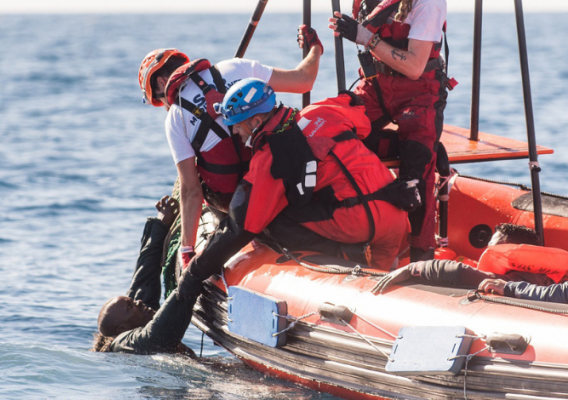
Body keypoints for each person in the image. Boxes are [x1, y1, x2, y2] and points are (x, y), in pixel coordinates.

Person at [175, 79, 411, 303]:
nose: (236, 133)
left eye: (236, 126)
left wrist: (196, 271)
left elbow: (241, 225)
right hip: (397, 219)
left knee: (271, 216)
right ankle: (387, 265)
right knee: (384, 278)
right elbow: (360, 117)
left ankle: (346, 254)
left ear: (255, 122)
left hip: (357, 226)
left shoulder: (270, 157)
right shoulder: (321, 111)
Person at [138, 25, 325, 267]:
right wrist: (315, 49)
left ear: (163, 82)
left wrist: (187, 250)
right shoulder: (236, 67)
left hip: (235, 202)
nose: (164, 105)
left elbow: (191, 190)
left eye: (159, 99)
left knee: (197, 177)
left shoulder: (175, 117)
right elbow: (304, 81)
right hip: (279, 184)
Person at [328, 0, 453, 262]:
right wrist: (314, 48)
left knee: (417, 167)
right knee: (334, 133)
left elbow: (414, 67)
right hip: (375, 85)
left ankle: (422, 257)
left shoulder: (428, 3)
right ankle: (336, 231)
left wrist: (365, 38)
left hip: (419, 90)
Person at [92, 196, 196, 355]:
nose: (138, 302)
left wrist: (161, 224)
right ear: (122, 328)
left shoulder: (136, 317)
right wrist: (193, 275)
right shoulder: (125, 344)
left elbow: (144, 275)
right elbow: (158, 337)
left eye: (131, 301)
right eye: (130, 306)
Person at [371, 224, 555, 294]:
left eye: (493, 248)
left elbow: (457, 271)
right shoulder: (548, 280)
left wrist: (411, 269)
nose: (487, 252)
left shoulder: (508, 281)